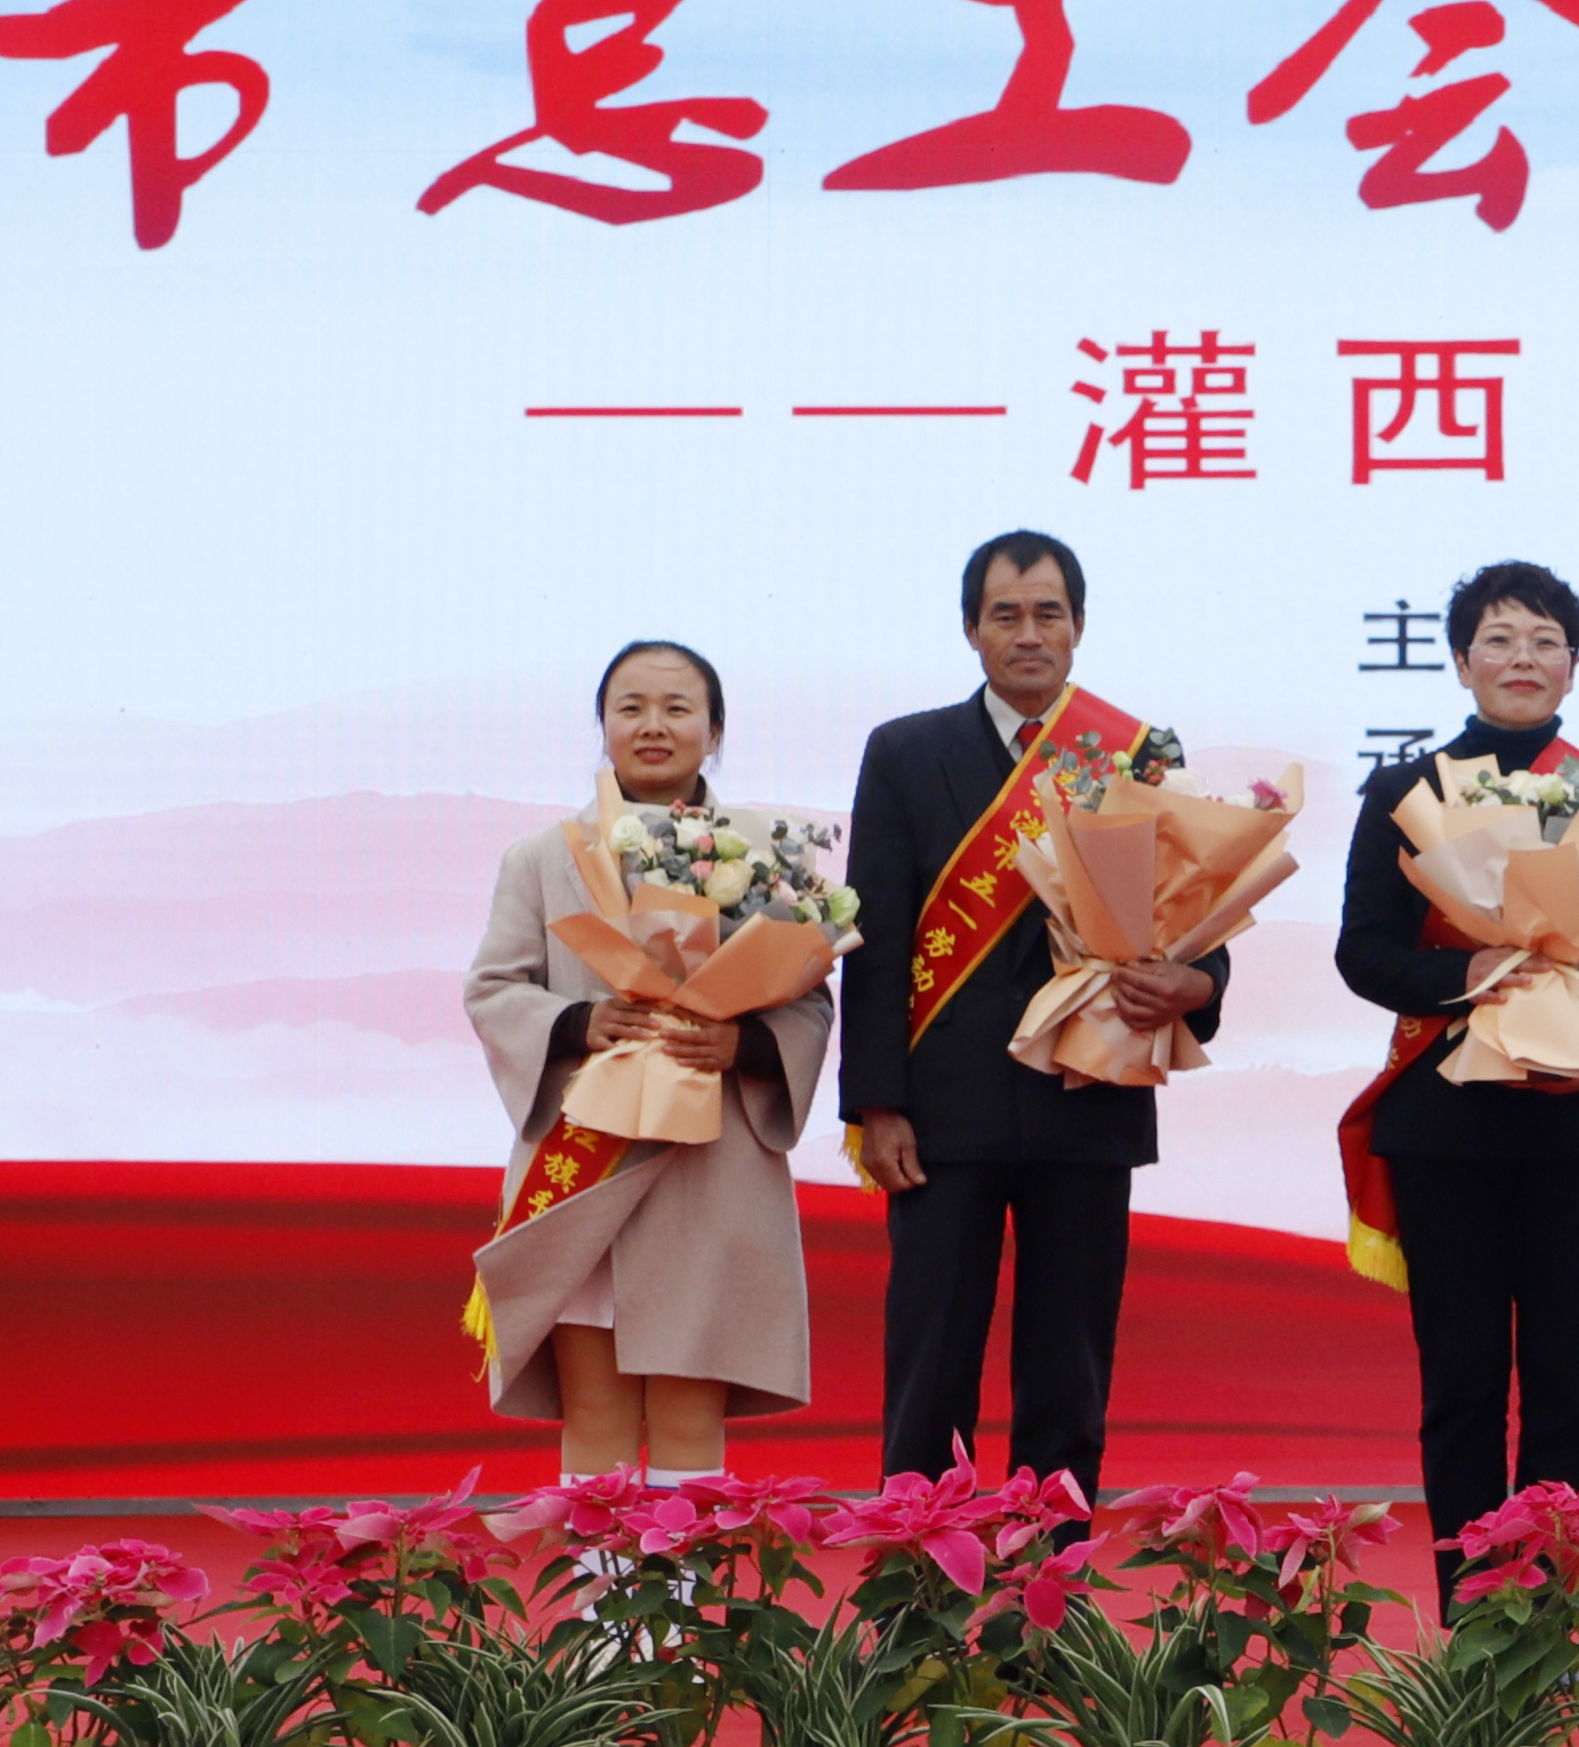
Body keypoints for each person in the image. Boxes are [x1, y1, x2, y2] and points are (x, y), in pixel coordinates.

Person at [842, 530, 1228, 1499]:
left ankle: (1050, 1576)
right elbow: (875, 938)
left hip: (1089, 1087)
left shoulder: (1137, 752)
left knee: (1070, 1365)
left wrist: (1198, 982)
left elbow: (1193, 907)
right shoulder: (904, 751)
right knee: (930, 1357)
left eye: (1047, 613)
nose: (1028, 633)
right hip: (943, 1104)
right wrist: (876, 1103)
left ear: (1079, 626)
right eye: (1005, 614)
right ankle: (919, 1572)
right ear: (971, 629)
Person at [1336, 562, 1579, 1602]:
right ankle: (1471, 1609)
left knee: (1571, 1384)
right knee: (1463, 1383)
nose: (1521, 658)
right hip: (1446, 1124)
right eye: (1498, 638)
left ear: (1572, 664)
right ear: (1460, 661)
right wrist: (1471, 971)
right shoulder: (1406, 794)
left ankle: (1556, 1607)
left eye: (1543, 640)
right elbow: (1363, 950)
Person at [466, 640, 834, 1479]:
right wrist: (579, 1021)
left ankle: (685, 1576)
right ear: (602, 725)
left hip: (712, 1169)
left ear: (715, 730)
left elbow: (809, 999)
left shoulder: (770, 857)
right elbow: (493, 988)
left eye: (677, 707)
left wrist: (744, 1045)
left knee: (689, 1408)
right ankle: (600, 1576)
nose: (653, 725)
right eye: (630, 707)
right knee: (593, 1407)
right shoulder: (543, 856)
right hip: (587, 1165)